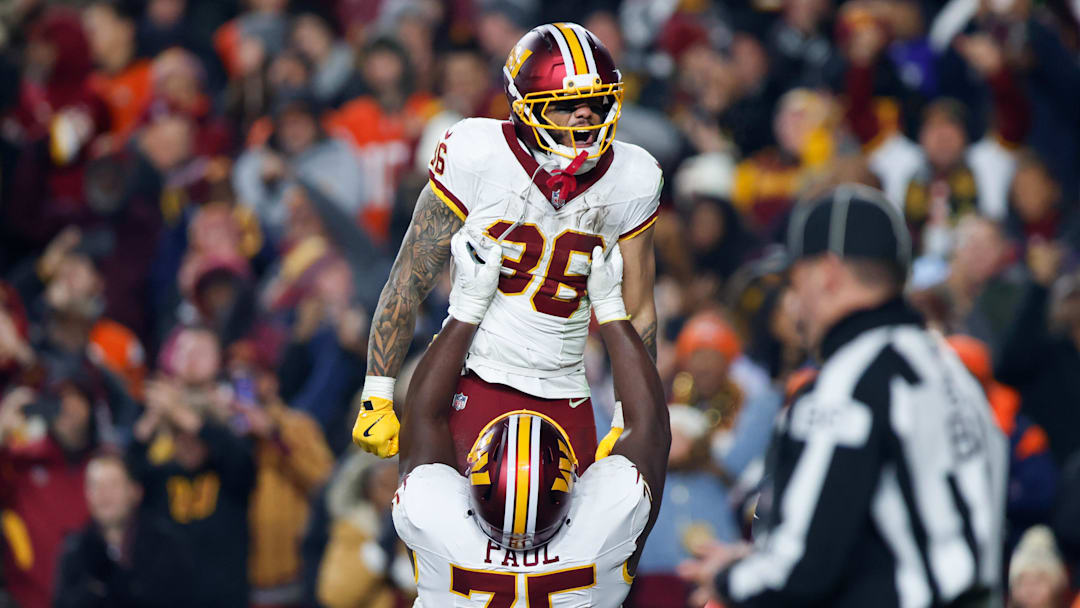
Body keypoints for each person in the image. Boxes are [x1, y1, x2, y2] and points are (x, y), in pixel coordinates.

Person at [353, 22, 662, 475]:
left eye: (595, 104)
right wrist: (377, 391)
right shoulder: (476, 153)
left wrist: (625, 413)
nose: (586, 117)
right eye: (566, 105)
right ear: (524, 108)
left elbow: (640, 312)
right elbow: (410, 276)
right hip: (476, 378)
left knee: (569, 545)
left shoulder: (633, 177)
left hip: (567, 392)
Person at [681, 184, 1008, 607]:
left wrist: (729, 577)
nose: (794, 302)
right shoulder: (947, 367)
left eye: (796, 280)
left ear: (827, 274)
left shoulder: (849, 381)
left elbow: (798, 574)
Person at [392, 229, 669, 607]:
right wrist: (608, 307)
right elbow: (650, 428)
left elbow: (423, 417)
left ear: (471, 476)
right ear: (571, 480)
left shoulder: (437, 521)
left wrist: (467, 308)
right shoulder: (602, 533)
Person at [54, 453, 196, 608]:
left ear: (135, 491)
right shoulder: (75, 551)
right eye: (95, 485)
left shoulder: (167, 545)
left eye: (113, 485)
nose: (103, 494)